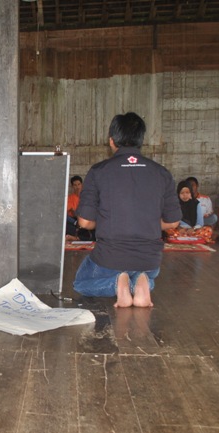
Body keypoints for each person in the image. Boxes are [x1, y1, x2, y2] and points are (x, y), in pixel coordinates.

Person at [72, 112, 181, 308]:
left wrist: (111, 221)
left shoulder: (98, 171)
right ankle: (141, 281)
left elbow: (85, 223)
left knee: (81, 283)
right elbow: (173, 222)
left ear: (111, 141)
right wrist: (144, 222)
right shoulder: (161, 173)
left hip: (110, 258)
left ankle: (118, 284)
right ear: (141, 140)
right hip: (149, 261)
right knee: (146, 273)